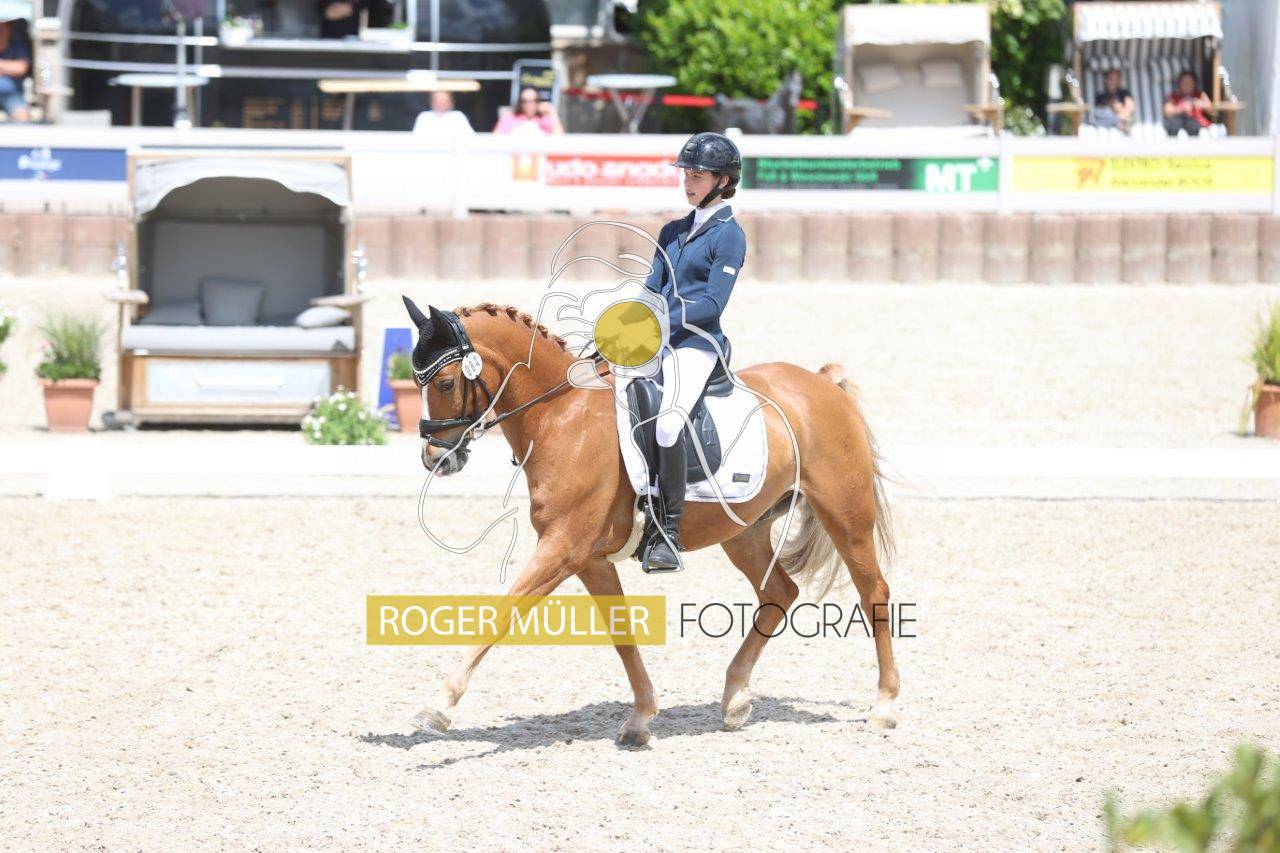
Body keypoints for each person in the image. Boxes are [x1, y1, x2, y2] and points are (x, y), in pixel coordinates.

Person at [636, 132, 746, 573]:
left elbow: (713, 304)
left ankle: (667, 532)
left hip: (697, 344)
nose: (688, 183)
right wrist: (626, 321)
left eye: (697, 176)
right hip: (655, 339)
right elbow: (651, 289)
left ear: (723, 181)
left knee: (667, 424)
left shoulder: (730, 236)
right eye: (686, 175)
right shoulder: (673, 230)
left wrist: (663, 318)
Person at [493, 86, 563, 136]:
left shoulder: (545, 120)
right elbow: (496, 140)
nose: (529, 104)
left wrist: (552, 112)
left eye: (533, 100)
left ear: (538, 101)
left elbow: (560, 140)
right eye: (525, 101)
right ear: (520, 103)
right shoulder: (509, 119)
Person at [1164, 70, 1214, 137]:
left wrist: (1201, 104)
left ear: (1194, 84)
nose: (1187, 85)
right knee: (1174, 125)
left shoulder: (1200, 95)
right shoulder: (1174, 96)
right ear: (1179, 84)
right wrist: (1181, 109)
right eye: (1185, 83)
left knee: (1194, 126)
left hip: (1196, 122)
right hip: (1178, 122)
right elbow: (1167, 111)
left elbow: (1212, 111)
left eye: (1190, 83)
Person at [0, 19, 31, 123]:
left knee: (22, 115)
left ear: (9, 29)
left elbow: (21, 68)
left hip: (12, 95)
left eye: (2, 28)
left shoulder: (18, 46)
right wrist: (9, 68)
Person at [1092, 68, 1135, 133]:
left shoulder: (1124, 93)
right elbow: (1098, 113)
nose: (1112, 82)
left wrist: (1120, 113)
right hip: (1105, 125)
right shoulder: (1100, 96)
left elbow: (1130, 106)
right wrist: (1112, 107)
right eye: (1110, 79)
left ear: (1119, 81)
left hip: (1122, 121)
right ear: (1105, 80)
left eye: (1115, 79)